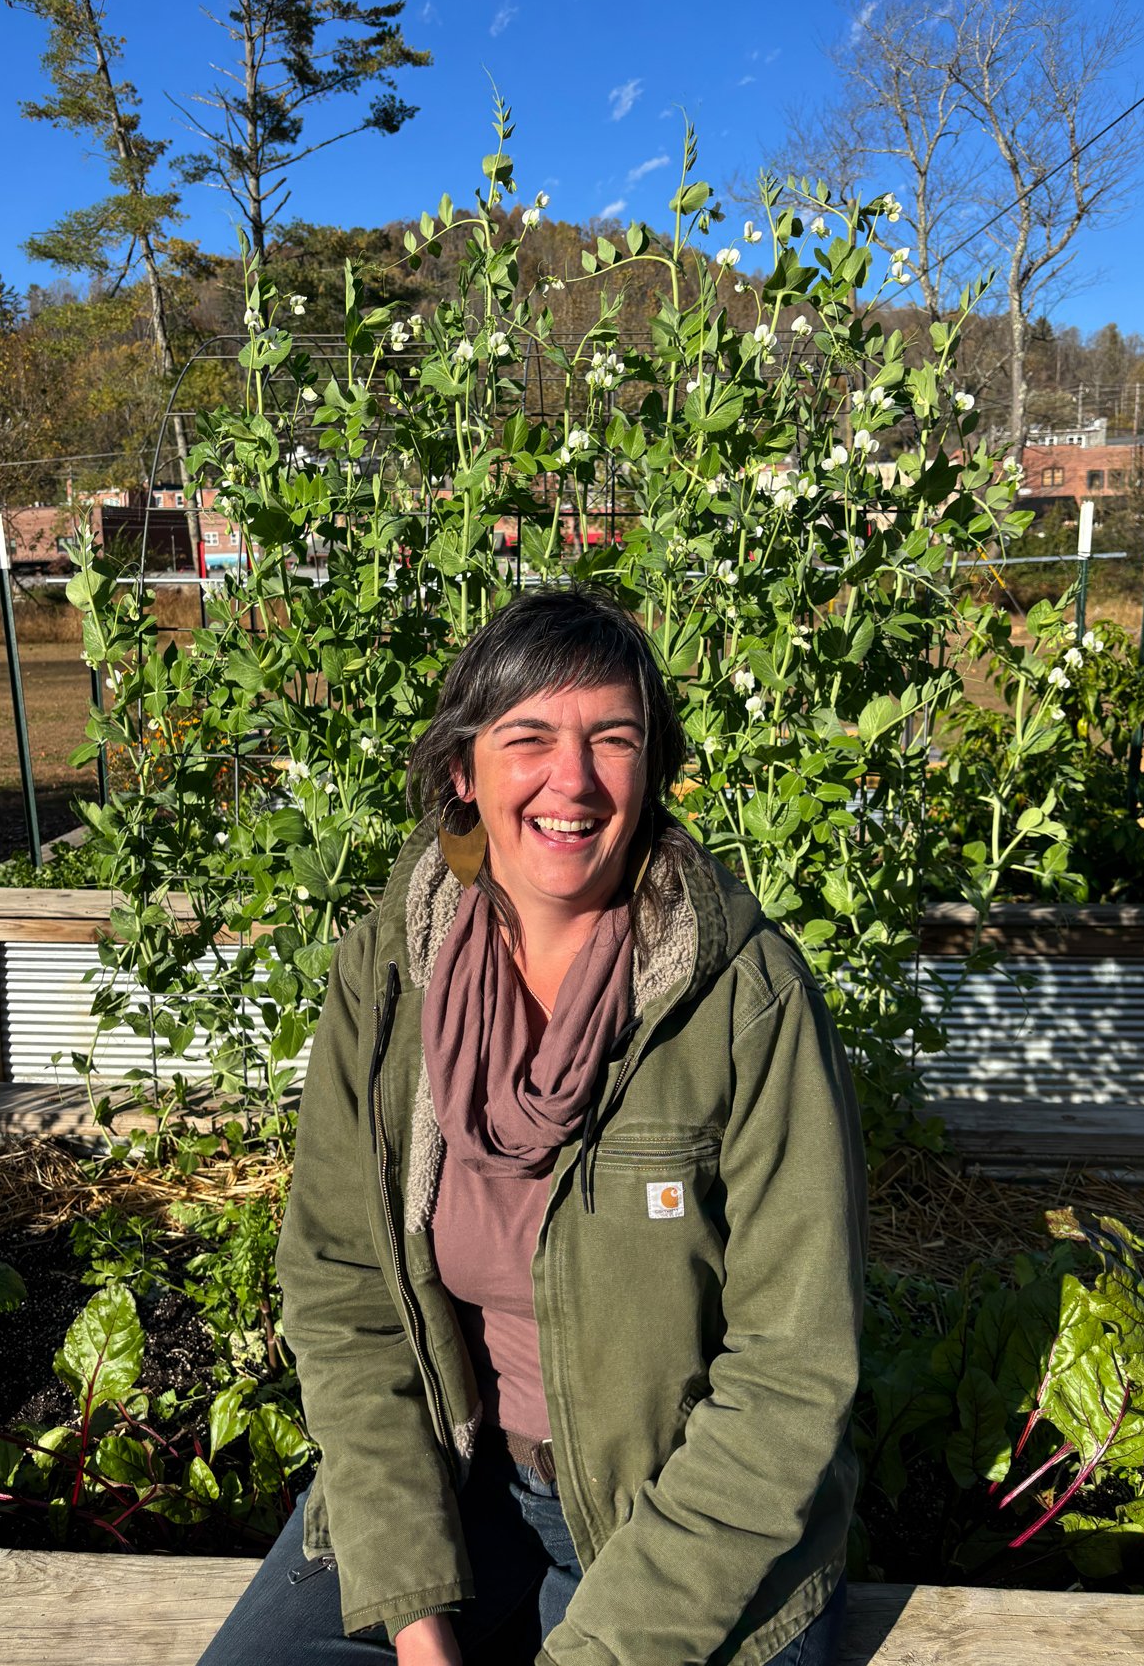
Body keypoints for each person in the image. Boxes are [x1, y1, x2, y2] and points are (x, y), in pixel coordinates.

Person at [198, 588, 867, 1666]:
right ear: (463, 769)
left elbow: (792, 1374)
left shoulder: (745, 998)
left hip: (683, 1524)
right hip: (453, 1483)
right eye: (530, 739)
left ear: (650, 770)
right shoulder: (391, 973)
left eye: (613, 739)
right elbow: (341, 1289)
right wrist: (415, 1620)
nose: (574, 781)